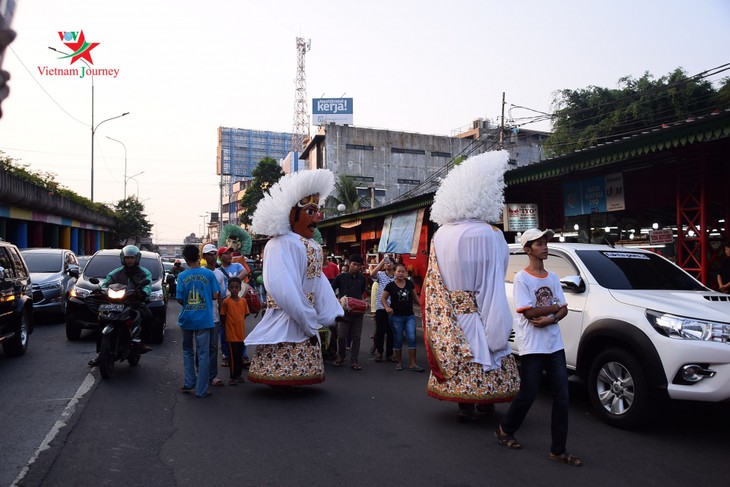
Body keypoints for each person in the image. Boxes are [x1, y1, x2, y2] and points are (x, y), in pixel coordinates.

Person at [423, 150, 520, 422]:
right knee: (487, 353)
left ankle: (463, 404)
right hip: (479, 311)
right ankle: (484, 402)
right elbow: (492, 287)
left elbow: (433, 280)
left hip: (451, 315)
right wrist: (497, 332)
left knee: (458, 355)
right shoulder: (490, 234)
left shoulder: (440, 234)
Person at [246, 169, 343, 386]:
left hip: (303, 311)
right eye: (310, 211)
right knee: (285, 344)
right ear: (292, 215)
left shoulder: (314, 246)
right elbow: (282, 287)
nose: (318, 217)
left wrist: (332, 311)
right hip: (288, 311)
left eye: (318, 211)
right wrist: (306, 316)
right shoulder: (279, 243)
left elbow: (319, 281)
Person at [496, 228, 582, 467]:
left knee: (563, 398)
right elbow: (529, 311)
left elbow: (563, 309)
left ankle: (558, 450)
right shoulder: (522, 278)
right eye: (539, 243)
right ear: (527, 250)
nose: (545, 246)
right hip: (533, 346)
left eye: (545, 243)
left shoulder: (553, 277)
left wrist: (553, 317)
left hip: (554, 344)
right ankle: (505, 429)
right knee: (529, 393)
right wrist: (553, 307)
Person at [88, 245, 153, 367]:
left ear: (137, 258)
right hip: (115, 303)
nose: (129, 260)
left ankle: (142, 343)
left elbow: (148, 285)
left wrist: (143, 292)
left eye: (132, 258)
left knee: (148, 315)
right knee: (100, 319)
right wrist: (100, 291)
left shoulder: (144, 273)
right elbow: (105, 284)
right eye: (127, 257)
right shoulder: (115, 273)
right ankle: (100, 353)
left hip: (134, 302)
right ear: (123, 258)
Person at [177, 244, 220, 398]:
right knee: (203, 354)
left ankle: (189, 382)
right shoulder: (209, 274)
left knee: (187, 351)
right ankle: (201, 390)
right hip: (204, 320)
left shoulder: (182, 276)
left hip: (187, 320)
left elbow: (180, 300)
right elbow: (215, 296)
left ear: (186, 259)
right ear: (199, 257)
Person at [382, 263, 423, 371]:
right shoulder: (390, 286)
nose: (401, 273)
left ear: (406, 273)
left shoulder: (409, 283)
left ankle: (413, 363)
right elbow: (383, 298)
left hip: (410, 316)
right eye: (398, 271)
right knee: (398, 339)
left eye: (403, 271)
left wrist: (424, 307)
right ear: (394, 272)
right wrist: (387, 307)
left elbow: (415, 297)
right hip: (396, 317)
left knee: (412, 338)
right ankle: (399, 363)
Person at [331, 253, 367, 371]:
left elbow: (362, 293)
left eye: (358, 265)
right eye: (354, 264)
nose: (356, 267)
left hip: (358, 312)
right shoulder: (341, 277)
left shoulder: (362, 279)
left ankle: (354, 361)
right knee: (341, 336)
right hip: (343, 312)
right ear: (349, 264)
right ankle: (341, 356)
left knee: (356, 337)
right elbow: (330, 290)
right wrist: (337, 300)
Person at [216, 246, 248, 367]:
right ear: (220, 257)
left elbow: (244, 272)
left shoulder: (237, 266)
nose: (230, 255)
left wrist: (233, 282)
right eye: (226, 254)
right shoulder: (218, 270)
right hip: (224, 303)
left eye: (230, 253)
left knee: (238, 329)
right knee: (224, 330)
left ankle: (242, 355)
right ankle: (226, 355)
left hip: (237, 303)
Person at [219, 276, 249, 385]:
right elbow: (223, 316)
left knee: (239, 356)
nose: (234, 289)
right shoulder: (226, 302)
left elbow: (245, 315)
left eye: (236, 287)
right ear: (229, 288)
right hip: (231, 335)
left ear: (240, 288)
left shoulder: (243, 301)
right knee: (232, 357)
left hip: (241, 334)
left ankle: (239, 375)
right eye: (232, 287)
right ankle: (233, 377)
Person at [202, 243, 224, 387]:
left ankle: (211, 376)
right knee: (201, 346)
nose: (213, 256)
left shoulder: (220, 274)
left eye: (214, 253)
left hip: (215, 315)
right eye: (210, 254)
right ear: (204, 256)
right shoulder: (200, 273)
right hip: (201, 316)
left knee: (213, 347)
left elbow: (221, 296)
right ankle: (200, 372)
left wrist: (222, 313)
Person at [370, 254, 396, 362]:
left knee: (391, 332)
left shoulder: (396, 276)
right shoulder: (380, 275)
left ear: (394, 264)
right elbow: (372, 274)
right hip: (381, 307)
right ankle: (379, 352)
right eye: (386, 263)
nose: (388, 264)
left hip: (393, 307)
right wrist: (382, 262)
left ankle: (389, 354)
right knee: (380, 331)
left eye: (390, 262)